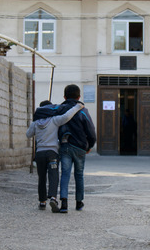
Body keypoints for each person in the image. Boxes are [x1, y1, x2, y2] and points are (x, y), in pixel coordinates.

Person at [26, 99, 83, 212]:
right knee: (53, 175)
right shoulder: (54, 120)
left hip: (39, 154)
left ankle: (42, 202)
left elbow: (28, 134)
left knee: (41, 177)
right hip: (52, 153)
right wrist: (77, 107)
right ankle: (53, 197)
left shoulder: (36, 123)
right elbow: (67, 116)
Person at [57, 84, 96, 213]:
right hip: (80, 147)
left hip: (65, 146)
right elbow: (90, 130)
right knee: (79, 174)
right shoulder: (83, 111)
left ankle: (64, 202)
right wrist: (89, 145)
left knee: (65, 174)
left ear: (64, 96)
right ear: (79, 96)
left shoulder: (60, 109)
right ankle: (79, 202)